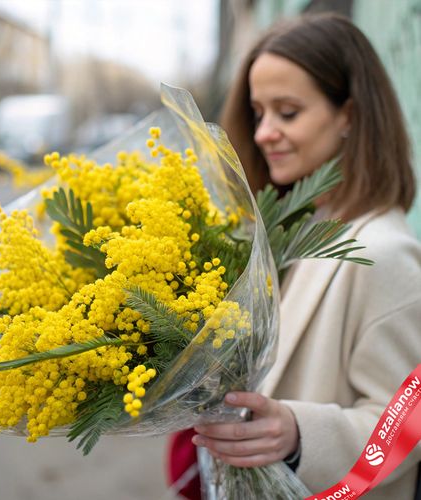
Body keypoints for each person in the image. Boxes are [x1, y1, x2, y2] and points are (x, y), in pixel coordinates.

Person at [168, 12, 421, 499]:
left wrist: (296, 431)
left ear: (349, 115)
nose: (264, 133)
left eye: (287, 112)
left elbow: (404, 422)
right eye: (259, 113)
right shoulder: (279, 230)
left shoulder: (385, 254)